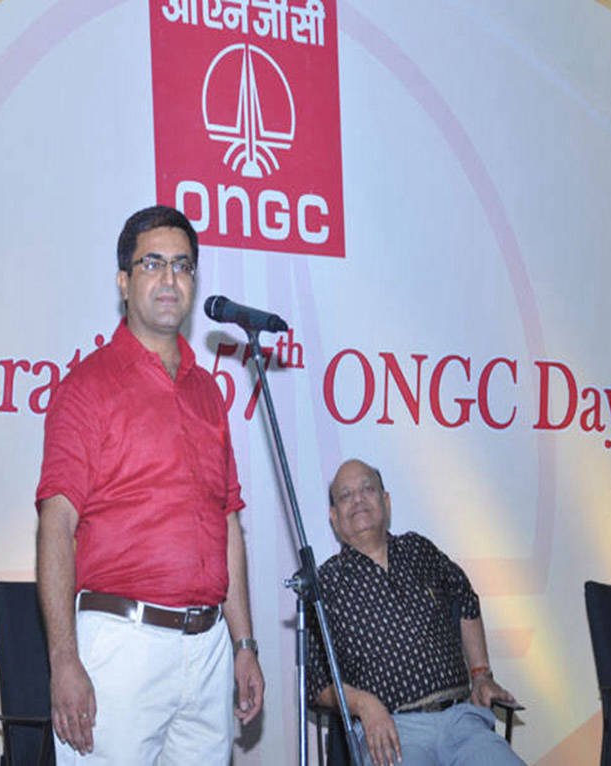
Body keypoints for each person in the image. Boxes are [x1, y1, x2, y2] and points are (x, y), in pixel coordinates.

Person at [35, 205, 264, 764]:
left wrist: (243, 644)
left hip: (208, 649)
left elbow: (227, 524)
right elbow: (56, 525)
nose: (169, 279)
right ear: (123, 281)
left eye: (183, 266)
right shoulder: (87, 386)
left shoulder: (207, 393)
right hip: (121, 643)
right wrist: (63, 659)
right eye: (153, 263)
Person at [306, 459, 526, 766]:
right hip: (391, 730)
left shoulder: (419, 550)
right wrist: (364, 704)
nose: (358, 500)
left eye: (368, 489)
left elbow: (465, 599)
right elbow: (317, 684)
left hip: (461, 720)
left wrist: (481, 674)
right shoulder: (325, 584)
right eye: (346, 495)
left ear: (386, 501)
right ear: (334, 517)